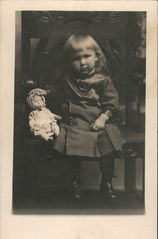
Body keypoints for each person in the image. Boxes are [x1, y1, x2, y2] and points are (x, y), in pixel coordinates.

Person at [28, 33, 124, 200]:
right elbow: (57, 92)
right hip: (75, 122)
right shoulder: (67, 79)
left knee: (107, 146)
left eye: (87, 56)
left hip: (98, 121)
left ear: (97, 57)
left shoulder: (103, 80)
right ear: (69, 61)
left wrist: (103, 118)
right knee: (72, 149)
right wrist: (46, 92)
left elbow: (112, 103)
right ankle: (74, 183)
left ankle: (107, 182)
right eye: (76, 58)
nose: (82, 62)